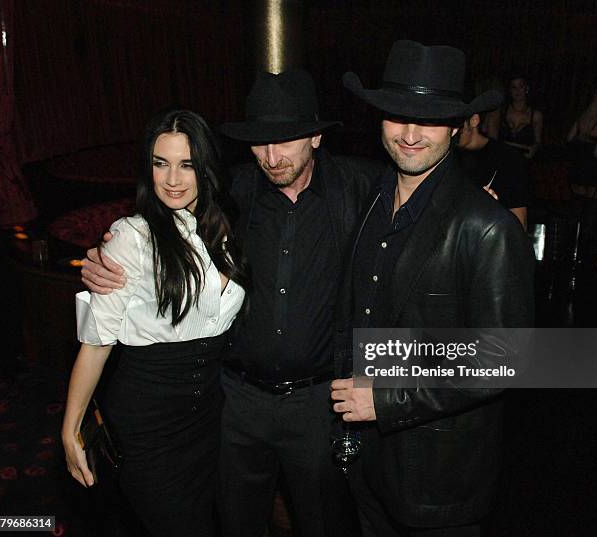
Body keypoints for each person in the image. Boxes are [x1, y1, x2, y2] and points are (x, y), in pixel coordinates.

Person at [81, 69, 383, 537]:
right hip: (234, 402)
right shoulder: (229, 195)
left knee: (323, 522)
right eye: (261, 141)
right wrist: (101, 260)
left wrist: (467, 208)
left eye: (286, 140)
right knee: (235, 522)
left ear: (318, 137)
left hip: (316, 404)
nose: (272, 155)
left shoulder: (360, 188)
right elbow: (159, 231)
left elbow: (417, 215)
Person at [331, 40, 534, 537]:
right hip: (368, 465)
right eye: (398, 116)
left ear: (456, 126)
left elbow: (508, 357)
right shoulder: (372, 203)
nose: (411, 134)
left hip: (439, 480)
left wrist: (388, 399)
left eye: (430, 119)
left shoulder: (485, 226)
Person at [62, 108, 248, 537]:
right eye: (160, 164)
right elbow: (97, 341)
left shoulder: (224, 228)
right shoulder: (132, 236)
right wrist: (70, 427)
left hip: (208, 420)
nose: (172, 179)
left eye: (186, 164)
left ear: (205, 167)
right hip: (150, 422)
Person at [456, 111, 530, 229]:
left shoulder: (506, 158)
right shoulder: (446, 157)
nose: (452, 131)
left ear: (474, 120)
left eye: (458, 124)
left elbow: (519, 222)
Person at [498, 74, 543, 159]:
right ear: (510, 90)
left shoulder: (536, 115)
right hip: (501, 157)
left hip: (523, 160)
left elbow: (538, 142)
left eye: (521, 86)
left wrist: (534, 149)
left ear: (526, 88)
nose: (517, 91)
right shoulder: (501, 111)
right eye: (514, 87)